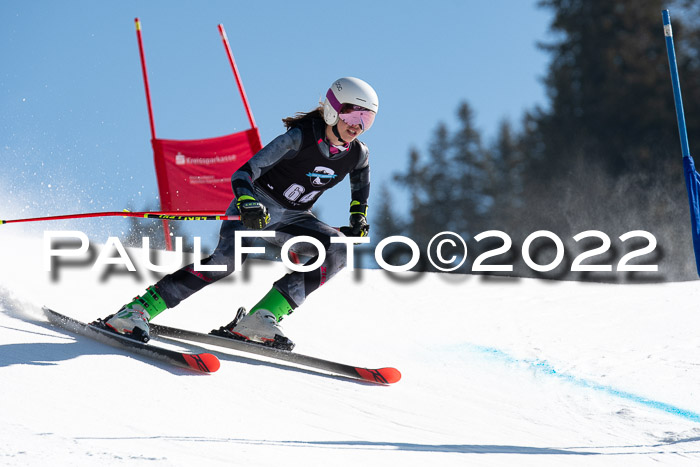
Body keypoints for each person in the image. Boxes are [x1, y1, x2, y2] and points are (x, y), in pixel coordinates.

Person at [101, 77, 378, 350]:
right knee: (225, 263)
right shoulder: (300, 138)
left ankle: (258, 320)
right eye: (352, 115)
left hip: (294, 218)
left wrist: (358, 218)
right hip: (256, 208)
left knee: (340, 247)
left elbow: (360, 185)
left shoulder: (358, 155)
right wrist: (247, 202)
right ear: (333, 109)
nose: (358, 126)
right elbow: (244, 173)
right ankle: (136, 312)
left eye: (367, 119)